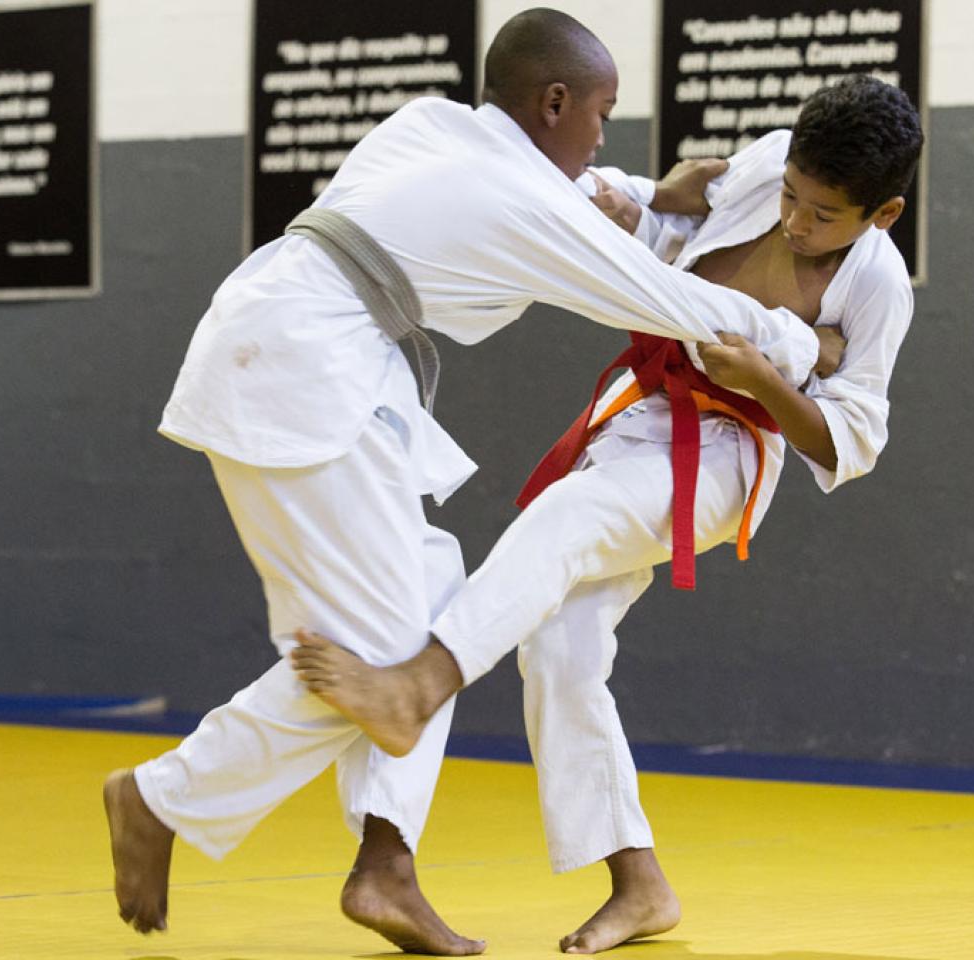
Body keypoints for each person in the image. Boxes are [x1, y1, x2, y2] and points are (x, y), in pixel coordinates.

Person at [102, 8, 824, 953]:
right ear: (555, 99)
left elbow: (577, 186)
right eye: (601, 111)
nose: (604, 134)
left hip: (288, 347)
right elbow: (667, 299)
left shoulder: (433, 124)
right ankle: (164, 798)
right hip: (303, 369)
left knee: (436, 602)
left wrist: (651, 189)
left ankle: (386, 863)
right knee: (388, 654)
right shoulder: (521, 207)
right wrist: (797, 342)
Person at [290, 75, 924, 954]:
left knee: (566, 520)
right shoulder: (774, 164)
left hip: (729, 452)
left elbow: (850, 444)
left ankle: (421, 683)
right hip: (638, 417)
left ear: (882, 215)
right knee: (560, 645)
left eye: (823, 215)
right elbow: (689, 198)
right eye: (790, 196)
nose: (794, 220)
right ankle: (638, 881)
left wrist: (770, 381)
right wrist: (643, 206)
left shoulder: (879, 287)